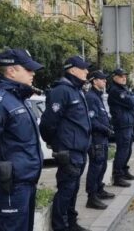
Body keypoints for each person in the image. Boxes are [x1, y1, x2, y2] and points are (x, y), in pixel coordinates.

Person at [40, 56, 91, 231]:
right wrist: (57, 145)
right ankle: (61, 226)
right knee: (66, 189)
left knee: (74, 188)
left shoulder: (76, 90)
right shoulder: (61, 90)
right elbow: (48, 123)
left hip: (79, 150)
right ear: (72, 70)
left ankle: (71, 221)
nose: (86, 71)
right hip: (68, 151)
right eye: (83, 68)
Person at [0, 49, 44, 231]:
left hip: (26, 182)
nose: (33, 73)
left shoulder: (18, 98)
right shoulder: (2, 101)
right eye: (28, 69)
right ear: (11, 71)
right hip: (11, 186)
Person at [85, 70, 115, 210]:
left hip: (102, 137)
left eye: (105, 79)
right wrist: (106, 129)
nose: (105, 81)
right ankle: (92, 197)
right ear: (94, 80)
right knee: (95, 167)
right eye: (102, 79)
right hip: (96, 137)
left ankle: (99, 190)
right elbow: (92, 120)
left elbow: (101, 116)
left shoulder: (97, 96)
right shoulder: (91, 97)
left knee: (102, 165)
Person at [108, 68, 134, 187]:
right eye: (121, 76)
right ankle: (118, 176)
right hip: (122, 124)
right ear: (115, 77)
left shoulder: (123, 89)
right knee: (122, 151)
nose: (124, 78)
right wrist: (133, 99)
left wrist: (133, 99)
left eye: (125, 76)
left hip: (128, 123)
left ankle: (124, 170)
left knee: (128, 150)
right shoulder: (115, 90)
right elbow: (132, 102)